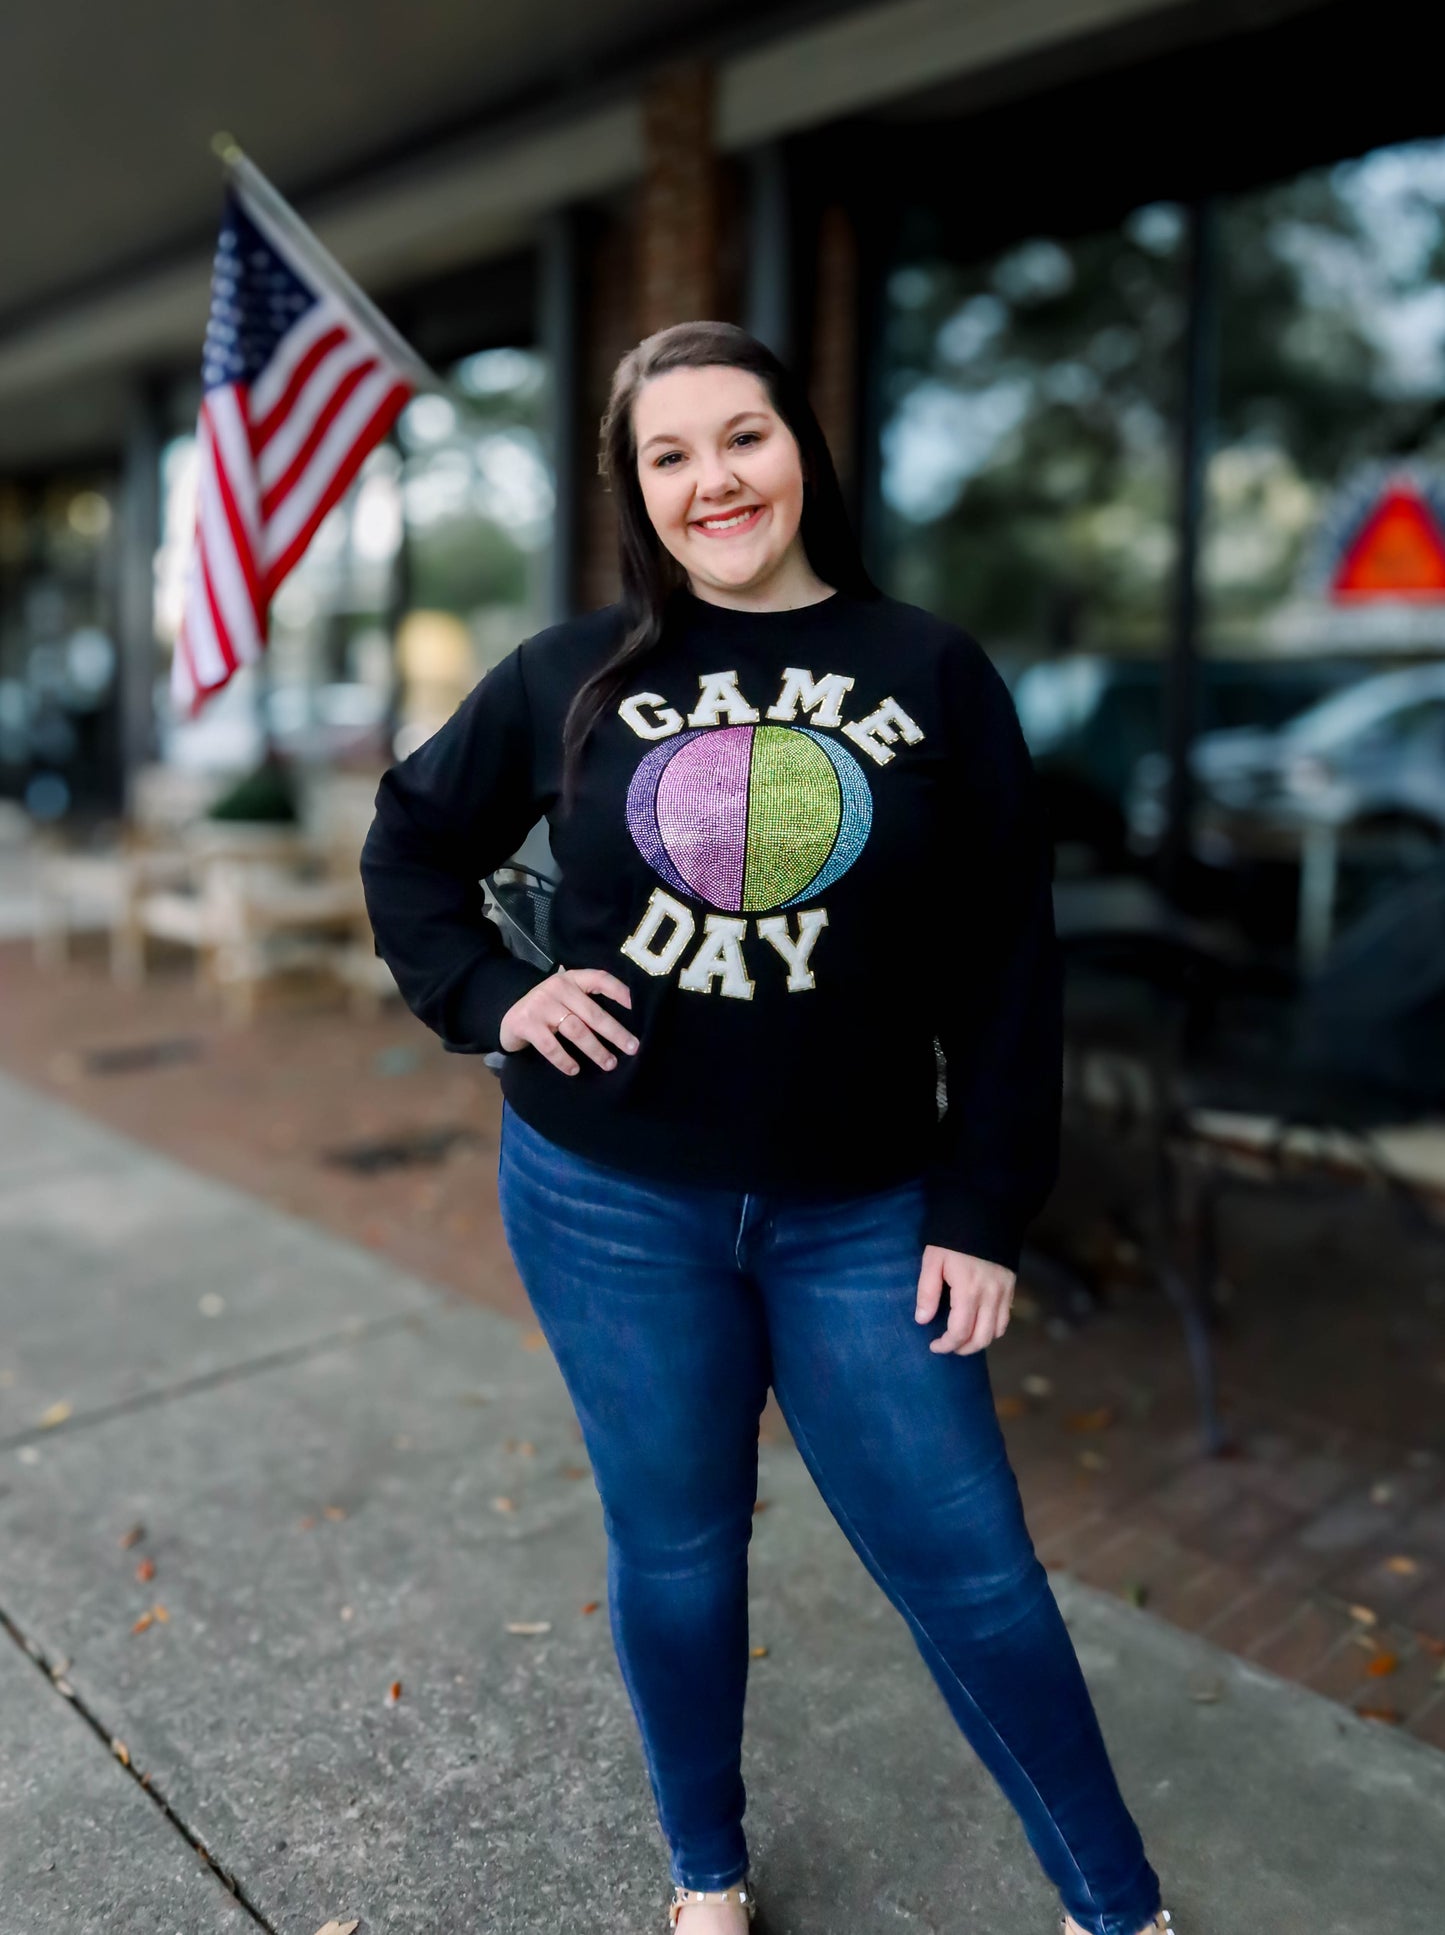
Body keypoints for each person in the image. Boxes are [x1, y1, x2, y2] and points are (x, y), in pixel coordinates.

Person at [359, 320, 1174, 1935]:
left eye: (742, 436)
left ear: (800, 446)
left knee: (972, 1564)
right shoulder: (570, 678)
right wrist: (489, 996)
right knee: (678, 1549)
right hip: (607, 1193)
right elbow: (411, 844)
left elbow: (1008, 964)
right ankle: (705, 1878)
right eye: (669, 455)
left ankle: (1114, 1905)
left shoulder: (929, 670)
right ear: (634, 491)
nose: (713, 478)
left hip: (865, 1204)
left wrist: (982, 1204)